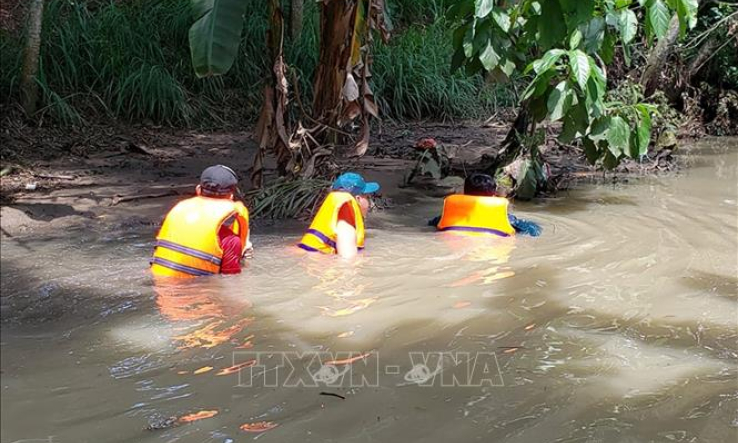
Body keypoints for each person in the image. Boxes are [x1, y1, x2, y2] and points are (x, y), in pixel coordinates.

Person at [151, 165, 252, 277]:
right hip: (199, 292)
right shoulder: (230, 241)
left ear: (198, 190)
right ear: (231, 196)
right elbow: (231, 280)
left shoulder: (177, 211)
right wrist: (244, 258)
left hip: (160, 290)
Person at [429, 173, 541, 237]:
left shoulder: (448, 216)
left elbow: (431, 224)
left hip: (453, 242)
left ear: (464, 192)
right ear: (493, 194)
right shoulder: (507, 218)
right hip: (491, 245)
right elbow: (533, 231)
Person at [298, 172, 380, 259]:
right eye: (367, 197)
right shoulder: (346, 227)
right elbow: (347, 265)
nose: (369, 203)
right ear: (358, 199)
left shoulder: (335, 219)